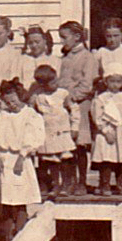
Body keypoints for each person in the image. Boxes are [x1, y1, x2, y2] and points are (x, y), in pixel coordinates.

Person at [0, 80, 44, 241]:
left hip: (20, 160)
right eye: (8, 102)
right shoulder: (1, 116)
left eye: (14, 101)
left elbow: (35, 137)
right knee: (6, 201)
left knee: (20, 200)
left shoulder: (30, 115)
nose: (11, 105)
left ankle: (19, 236)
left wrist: (22, 156)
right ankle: (7, 237)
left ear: (21, 97)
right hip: (2, 160)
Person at [55, 21, 100, 194]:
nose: (62, 41)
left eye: (64, 38)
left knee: (80, 145)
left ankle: (82, 181)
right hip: (64, 106)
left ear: (77, 37)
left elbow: (87, 84)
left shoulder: (88, 57)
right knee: (66, 143)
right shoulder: (65, 58)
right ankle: (68, 181)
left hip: (80, 104)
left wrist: (72, 97)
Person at [30, 64, 75, 200]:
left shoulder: (63, 94)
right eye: (52, 83)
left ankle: (68, 183)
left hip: (62, 131)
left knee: (65, 159)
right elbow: (33, 114)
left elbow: (74, 110)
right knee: (51, 160)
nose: (56, 84)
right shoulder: (38, 96)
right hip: (47, 132)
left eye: (56, 80)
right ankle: (56, 184)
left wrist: (75, 128)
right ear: (42, 85)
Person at [91, 73, 122, 195]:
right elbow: (97, 117)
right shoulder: (101, 98)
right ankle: (104, 184)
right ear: (106, 82)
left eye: (118, 81)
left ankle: (121, 184)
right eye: (112, 81)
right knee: (107, 158)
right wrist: (105, 132)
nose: (115, 84)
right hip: (108, 132)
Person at [18, 26, 61, 91]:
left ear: (45, 41)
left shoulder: (55, 61)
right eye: (30, 43)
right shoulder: (22, 59)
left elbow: (57, 82)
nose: (34, 45)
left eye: (37, 42)